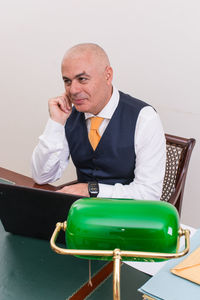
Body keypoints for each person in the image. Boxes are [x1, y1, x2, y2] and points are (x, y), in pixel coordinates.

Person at [31, 43, 166, 199]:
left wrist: (91, 189)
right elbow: (42, 176)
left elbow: (149, 194)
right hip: (82, 215)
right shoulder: (69, 115)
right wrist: (56, 123)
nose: (73, 90)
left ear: (107, 75)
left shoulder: (145, 118)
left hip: (127, 216)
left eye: (82, 79)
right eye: (67, 81)